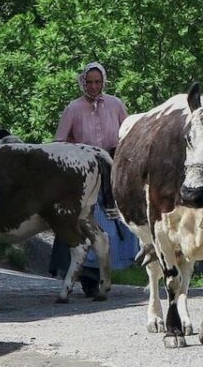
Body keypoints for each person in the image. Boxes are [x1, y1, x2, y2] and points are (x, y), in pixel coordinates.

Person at [51, 62, 140, 295]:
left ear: (103, 82)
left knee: (113, 218)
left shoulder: (115, 104)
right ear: (83, 82)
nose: (93, 86)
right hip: (84, 170)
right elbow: (59, 142)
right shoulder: (73, 109)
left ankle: (110, 268)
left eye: (97, 82)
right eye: (89, 82)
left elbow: (129, 133)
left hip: (111, 166)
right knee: (85, 220)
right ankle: (88, 276)